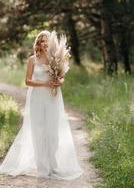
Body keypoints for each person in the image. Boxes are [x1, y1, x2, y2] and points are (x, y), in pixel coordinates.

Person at [0, 30, 84, 180]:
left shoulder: (56, 58)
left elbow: (62, 77)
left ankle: (54, 166)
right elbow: (27, 81)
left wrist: (59, 81)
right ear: (38, 43)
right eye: (42, 41)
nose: (45, 43)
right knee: (38, 132)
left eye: (47, 41)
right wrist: (45, 83)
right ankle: (43, 169)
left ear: (51, 43)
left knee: (53, 133)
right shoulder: (32, 60)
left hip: (53, 98)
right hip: (37, 98)